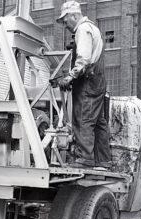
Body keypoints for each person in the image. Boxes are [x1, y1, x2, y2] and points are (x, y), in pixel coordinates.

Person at [56, 1, 111, 170]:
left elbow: (84, 58)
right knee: (99, 121)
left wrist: (70, 77)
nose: (65, 25)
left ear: (74, 15)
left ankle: (85, 158)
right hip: (98, 81)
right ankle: (103, 161)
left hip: (88, 81)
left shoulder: (83, 29)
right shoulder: (93, 28)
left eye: (65, 21)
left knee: (83, 118)